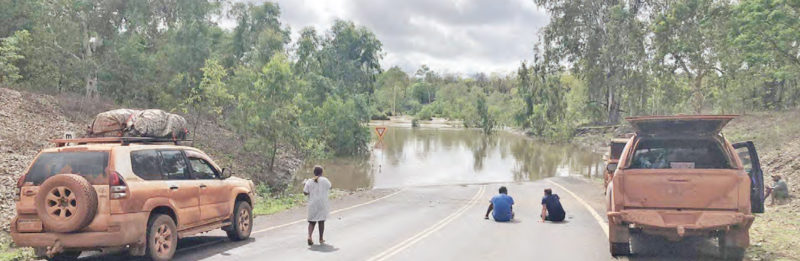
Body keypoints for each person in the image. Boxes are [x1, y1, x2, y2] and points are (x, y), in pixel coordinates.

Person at [304, 166, 331, 245]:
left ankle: (309, 236)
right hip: (322, 204)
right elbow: (330, 187)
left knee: (312, 221)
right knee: (321, 221)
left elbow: (305, 193)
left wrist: (305, 184)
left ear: (314, 172)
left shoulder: (309, 181)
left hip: (312, 204)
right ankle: (321, 238)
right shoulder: (325, 180)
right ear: (321, 172)